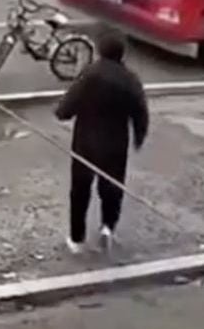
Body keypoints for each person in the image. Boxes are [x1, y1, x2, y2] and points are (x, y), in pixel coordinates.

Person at [54, 28, 149, 253]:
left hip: (86, 142)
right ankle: (108, 227)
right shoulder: (130, 79)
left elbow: (67, 107)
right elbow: (140, 112)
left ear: (99, 51)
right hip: (116, 144)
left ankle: (77, 239)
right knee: (112, 187)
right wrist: (138, 137)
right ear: (122, 54)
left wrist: (61, 111)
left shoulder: (90, 75)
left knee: (80, 190)